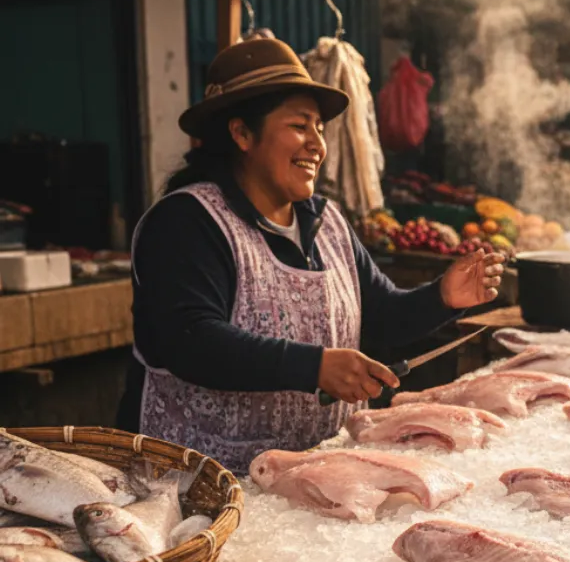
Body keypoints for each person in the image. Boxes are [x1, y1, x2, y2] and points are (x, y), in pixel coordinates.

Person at [117, 38, 504, 473]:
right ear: (242, 133)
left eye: (319, 127)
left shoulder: (327, 222)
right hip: (195, 484)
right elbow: (191, 341)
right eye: (300, 126)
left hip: (308, 480)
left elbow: (377, 317)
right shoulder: (187, 222)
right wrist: (313, 366)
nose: (317, 144)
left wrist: (443, 298)